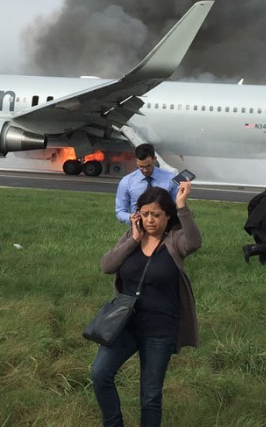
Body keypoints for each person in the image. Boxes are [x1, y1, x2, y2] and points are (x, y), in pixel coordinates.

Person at [92, 183, 200, 427]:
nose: (150, 220)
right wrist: (133, 239)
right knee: (100, 374)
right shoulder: (132, 237)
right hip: (124, 325)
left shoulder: (174, 241)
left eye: (156, 215)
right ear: (137, 214)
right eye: (145, 213)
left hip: (160, 330)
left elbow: (194, 242)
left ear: (167, 216)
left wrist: (183, 206)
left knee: (150, 396)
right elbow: (107, 266)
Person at [115, 144, 179, 224]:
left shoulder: (170, 178)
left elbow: (176, 205)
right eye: (141, 166)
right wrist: (130, 218)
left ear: (154, 159)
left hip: (164, 228)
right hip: (138, 228)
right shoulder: (126, 182)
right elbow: (120, 212)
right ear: (136, 161)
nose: (145, 170)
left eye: (148, 166)